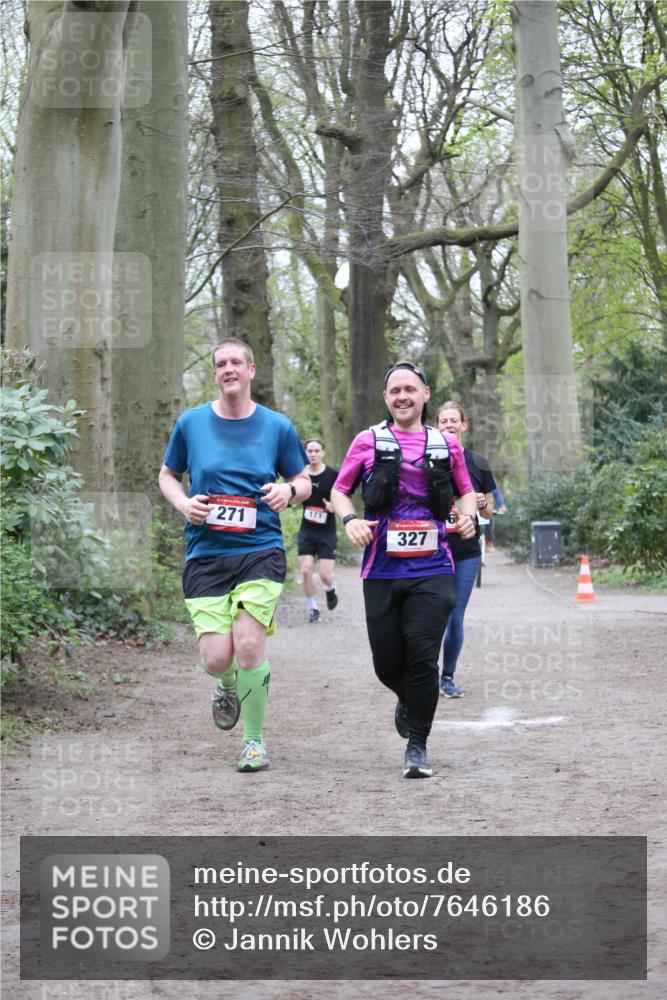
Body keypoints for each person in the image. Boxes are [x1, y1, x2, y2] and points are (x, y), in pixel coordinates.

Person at [158, 338, 311, 773]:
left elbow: (304, 480)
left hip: (259, 549)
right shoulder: (191, 423)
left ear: (251, 369)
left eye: (236, 362)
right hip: (206, 553)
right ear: (215, 373)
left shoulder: (277, 426)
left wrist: (288, 490)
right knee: (216, 659)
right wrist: (183, 503)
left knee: (247, 645)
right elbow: (168, 475)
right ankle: (226, 684)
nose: (229, 369)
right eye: (221, 364)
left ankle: (254, 742)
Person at [331, 362, 477, 779]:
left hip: (434, 566)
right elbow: (340, 491)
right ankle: (409, 698)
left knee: (423, 658)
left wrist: (468, 517)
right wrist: (350, 520)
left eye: (410, 389)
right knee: (386, 663)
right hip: (381, 569)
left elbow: (466, 491)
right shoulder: (367, 441)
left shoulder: (446, 445)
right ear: (386, 398)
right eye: (395, 390)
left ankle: (418, 746)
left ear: (425, 394)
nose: (402, 397)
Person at [437, 401, 497, 698]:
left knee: (455, 615)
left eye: (453, 420)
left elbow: (488, 511)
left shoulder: (478, 462)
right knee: (429, 615)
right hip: (432, 549)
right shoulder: (426, 458)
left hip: (466, 552)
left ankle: (447, 677)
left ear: (463, 425)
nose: (449, 425)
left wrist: (482, 503)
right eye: (443, 420)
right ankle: (423, 673)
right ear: (436, 426)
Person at [297, 438, 339, 623]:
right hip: (307, 530)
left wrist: (333, 506)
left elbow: (343, 498)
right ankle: (313, 607)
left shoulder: (332, 475)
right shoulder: (301, 475)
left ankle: (330, 588)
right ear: (305, 453)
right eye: (310, 451)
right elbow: (293, 496)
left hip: (327, 531)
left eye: (316, 451)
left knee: (325, 575)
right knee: (305, 571)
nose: (313, 454)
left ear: (323, 453)